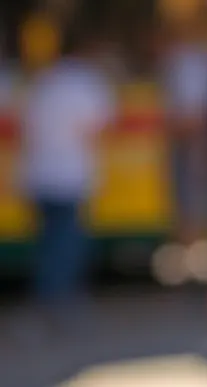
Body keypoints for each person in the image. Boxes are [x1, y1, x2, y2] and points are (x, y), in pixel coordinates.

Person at [18, 25, 114, 334]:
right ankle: (61, 307)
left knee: (48, 243)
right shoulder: (86, 83)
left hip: (38, 174)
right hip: (70, 175)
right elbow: (99, 126)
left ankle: (49, 303)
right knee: (67, 245)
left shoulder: (44, 80)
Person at [160, 18, 207, 266]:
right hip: (189, 137)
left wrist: (187, 133)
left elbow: (195, 110)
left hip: (191, 138)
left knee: (192, 200)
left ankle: (193, 256)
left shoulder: (190, 62)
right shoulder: (184, 61)